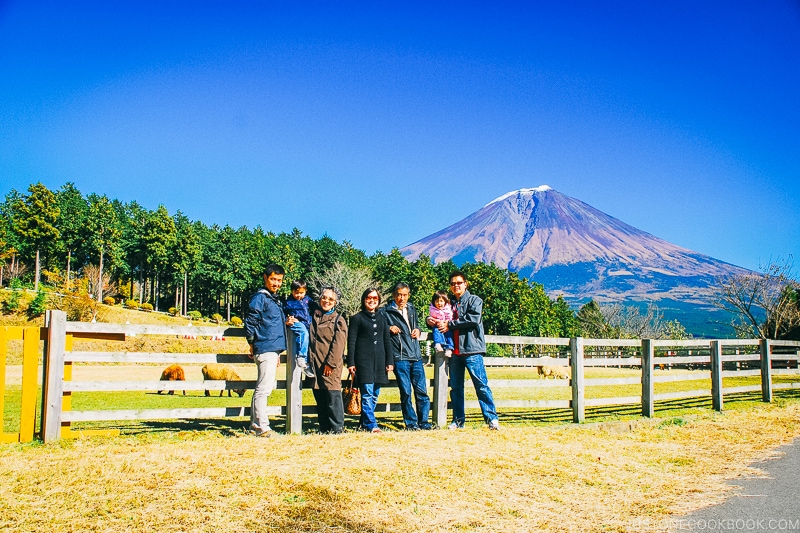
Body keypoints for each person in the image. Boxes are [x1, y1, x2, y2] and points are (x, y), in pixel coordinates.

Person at [428, 270, 500, 430]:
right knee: (456, 388)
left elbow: (473, 319)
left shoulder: (475, 301)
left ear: (465, 284)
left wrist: (450, 325)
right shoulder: (449, 303)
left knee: (481, 385)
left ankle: (491, 419)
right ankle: (458, 421)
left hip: (472, 350)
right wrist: (430, 320)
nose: (456, 286)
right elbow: (436, 312)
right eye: (453, 283)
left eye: (459, 283)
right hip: (454, 352)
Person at [244, 263, 290, 437]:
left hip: (271, 349)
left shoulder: (273, 299)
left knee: (265, 388)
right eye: (273, 279)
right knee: (263, 389)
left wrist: (276, 351)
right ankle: (261, 427)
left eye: (279, 280)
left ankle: (255, 426)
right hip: (264, 347)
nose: (276, 283)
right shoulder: (260, 298)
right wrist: (252, 342)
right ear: (265, 278)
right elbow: (250, 322)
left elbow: (271, 324)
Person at [384, 282, 432, 430]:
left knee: (422, 391)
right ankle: (411, 423)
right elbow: (379, 329)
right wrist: (388, 328)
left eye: (404, 295)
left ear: (408, 295)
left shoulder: (411, 309)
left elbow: (416, 325)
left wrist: (418, 330)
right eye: (399, 294)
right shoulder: (386, 312)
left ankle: (424, 422)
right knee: (406, 392)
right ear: (393, 295)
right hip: (400, 357)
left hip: (416, 356)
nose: (401, 298)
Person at [347, 288, 394, 433]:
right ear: (363, 299)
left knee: (375, 395)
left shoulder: (382, 318)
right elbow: (352, 342)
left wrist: (389, 361)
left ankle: (364, 424)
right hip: (363, 361)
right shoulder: (357, 318)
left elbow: (387, 341)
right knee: (366, 394)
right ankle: (372, 425)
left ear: (379, 300)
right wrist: (351, 363)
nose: (372, 300)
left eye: (375, 298)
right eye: (369, 297)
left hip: (380, 361)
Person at [308, 286, 348, 434]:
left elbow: (339, 345)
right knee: (320, 396)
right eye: (324, 297)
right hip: (315, 363)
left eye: (331, 299)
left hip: (330, 365)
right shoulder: (314, 315)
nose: (327, 301)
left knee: (333, 397)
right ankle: (324, 428)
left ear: (335, 302)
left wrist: (330, 364)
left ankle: (337, 428)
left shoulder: (339, 320)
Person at [283, 280, 315, 379]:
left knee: (308, 340)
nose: (298, 295)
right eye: (296, 292)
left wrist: (317, 309)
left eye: (301, 293)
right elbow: (282, 313)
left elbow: (315, 306)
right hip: (296, 322)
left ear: (305, 291)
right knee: (303, 334)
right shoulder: (289, 302)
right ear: (292, 291)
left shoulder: (307, 300)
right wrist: (286, 320)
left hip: (307, 324)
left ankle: (306, 365)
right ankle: (301, 357)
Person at [429, 290, 454, 358]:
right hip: (437, 325)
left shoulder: (448, 308)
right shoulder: (433, 309)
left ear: (445, 301)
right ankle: (438, 344)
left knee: (449, 335)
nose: (439, 303)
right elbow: (432, 317)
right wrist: (435, 321)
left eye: (441, 301)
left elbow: (450, 317)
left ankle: (449, 348)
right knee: (436, 331)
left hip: (447, 325)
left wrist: (446, 322)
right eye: (437, 301)